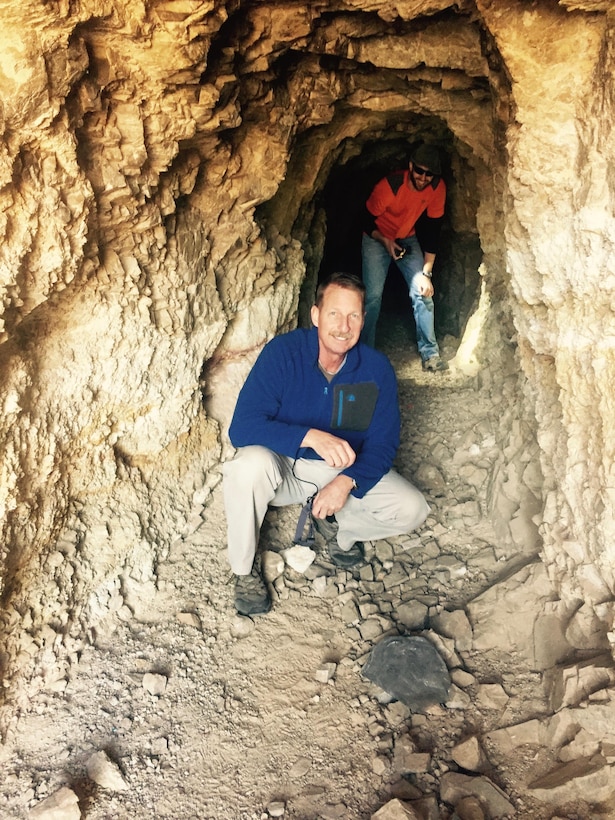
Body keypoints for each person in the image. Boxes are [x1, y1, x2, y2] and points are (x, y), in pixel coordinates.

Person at [223, 272, 430, 616]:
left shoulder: (376, 370)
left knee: (413, 507)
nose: (343, 326)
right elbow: (242, 428)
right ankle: (243, 571)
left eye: (353, 316)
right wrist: (308, 436)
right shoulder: (284, 354)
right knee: (247, 466)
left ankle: (340, 530)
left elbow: (383, 443)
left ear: (364, 320)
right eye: (334, 313)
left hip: (336, 474)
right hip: (281, 469)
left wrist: (346, 482)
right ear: (316, 315)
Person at [361, 143, 448, 371]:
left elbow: (432, 230)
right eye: (419, 171)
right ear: (410, 166)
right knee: (372, 297)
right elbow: (364, 219)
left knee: (423, 291)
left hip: (407, 237)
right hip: (376, 238)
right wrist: (385, 241)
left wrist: (426, 273)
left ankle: (430, 355)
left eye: (429, 174)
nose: (423, 177)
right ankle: (362, 354)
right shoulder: (390, 187)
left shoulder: (437, 188)